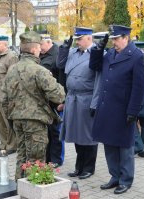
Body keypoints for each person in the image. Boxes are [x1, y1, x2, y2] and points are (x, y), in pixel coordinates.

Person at [1, 31, 65, 181]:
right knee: (36, 160)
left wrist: (11, 118)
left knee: (22, 157)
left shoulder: (12, 69)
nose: (40, 50)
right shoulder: (40, 71)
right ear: (34, 49)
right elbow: (59, 95)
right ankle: (32, 192)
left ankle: (20, 188)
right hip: (36, 122)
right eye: (39, 47)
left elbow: (4, 98)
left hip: (17, 120)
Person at [91, 25, 144, 194]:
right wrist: (98, 48)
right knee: (109, 144)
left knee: (124, 147)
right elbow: (94, 66)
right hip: (107, 107)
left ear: (125, 37)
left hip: (123, 108)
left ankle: (126, 180)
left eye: (116, 39)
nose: (114, 42)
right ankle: (114, 176)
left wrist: (133, 111)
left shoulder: (136, 56)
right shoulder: (111, 53)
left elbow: (139, 86)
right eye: (112, 39)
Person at [57, 27, 101, 180]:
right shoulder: (73, 52)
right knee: (76, 134)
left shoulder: (97, 53)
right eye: (75, 40)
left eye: (79, 39)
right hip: (73, 98)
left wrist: (95, 103)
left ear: (89, 38)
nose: (77, 42)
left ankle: (89, 168)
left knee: (88, 135)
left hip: (87, 98)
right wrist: (64, 48)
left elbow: (99, 81)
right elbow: (60, 65)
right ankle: (79, 167)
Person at [39, 34, 65, 168]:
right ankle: (48, 158)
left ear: (48, 43)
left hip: (55, 101)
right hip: (43, 101)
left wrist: (62, 101)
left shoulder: (57, 55)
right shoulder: (41, 55)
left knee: (56, 132)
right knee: (47, 131)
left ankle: (56, 159)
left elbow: (62, 78)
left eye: (41, 45)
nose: (39, 48)